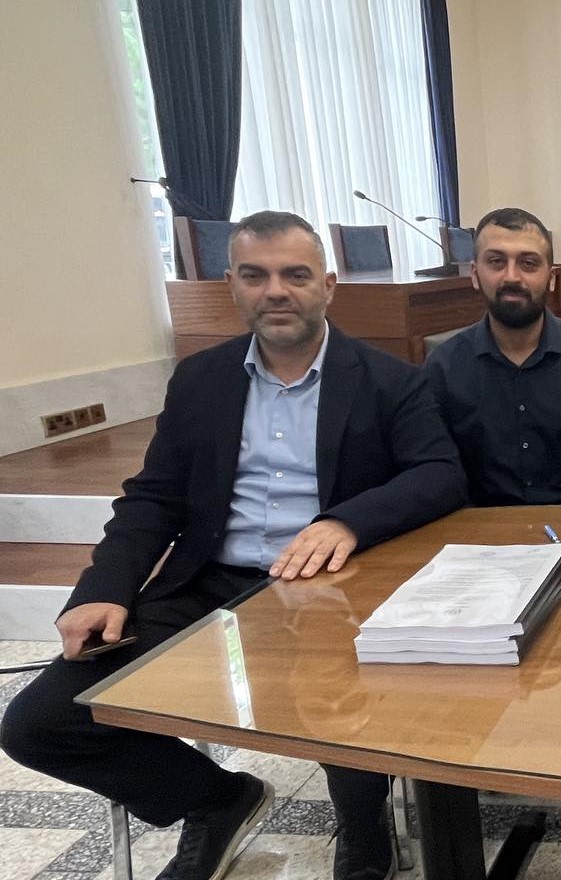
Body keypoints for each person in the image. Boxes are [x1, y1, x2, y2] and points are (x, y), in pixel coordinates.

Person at [0, 211, 467, 880]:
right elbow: (154, 497)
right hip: (207, 585)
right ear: (232, 285)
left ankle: (363, 825)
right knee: (37, 726)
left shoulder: (390, 379)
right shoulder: (200, 379)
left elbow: (440, 474)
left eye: (295, 275)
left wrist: (346, 522)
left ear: (328, 285)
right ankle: (217, 800)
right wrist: (102, 589)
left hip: (330, 585)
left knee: (347, 699)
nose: (276, 291)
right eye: (256, 275)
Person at [424, 208, 561, 505]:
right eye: (496, 262)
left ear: (551, 278)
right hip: (480, 529)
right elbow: (433, 469)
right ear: (475, 275)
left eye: (528, 263)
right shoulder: (442, 367)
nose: (512, 277)